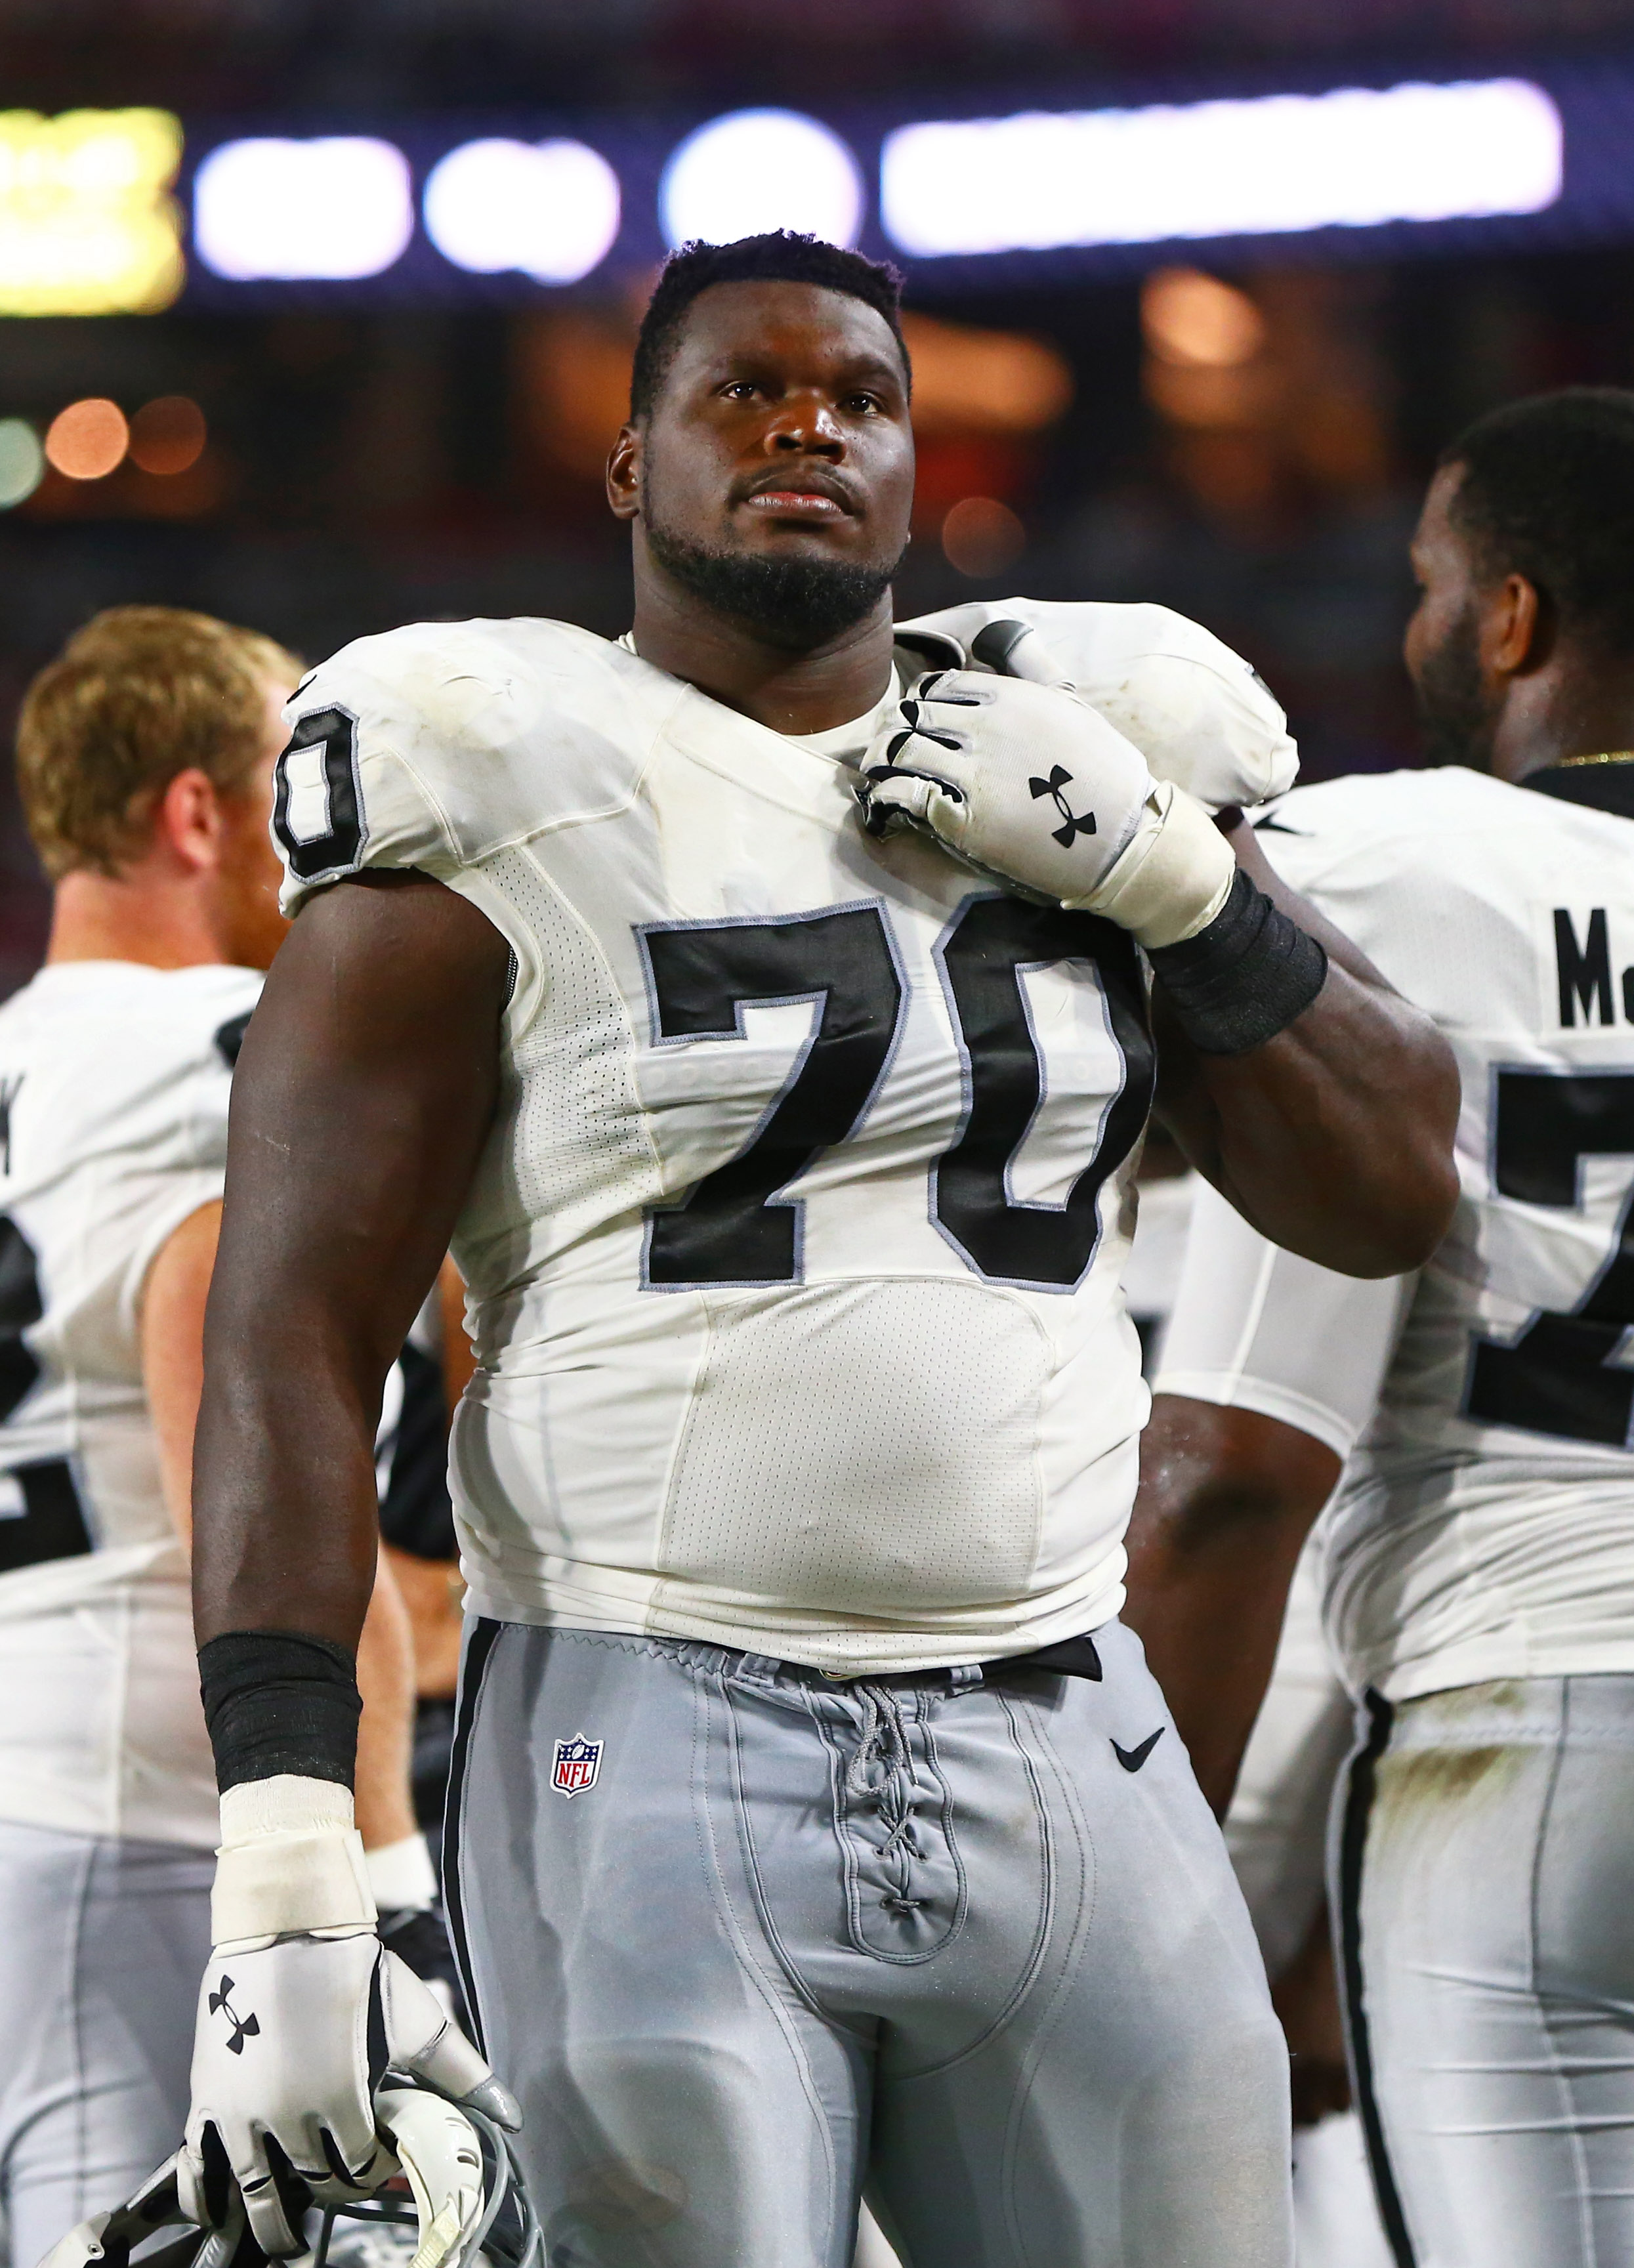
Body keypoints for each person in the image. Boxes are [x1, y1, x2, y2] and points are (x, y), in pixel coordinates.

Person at [180, 232, 1459, 2268]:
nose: (809, 429)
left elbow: (1391, 1190)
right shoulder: (496, 775)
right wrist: (281, 1851)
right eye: (745, 394)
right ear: (629, 470)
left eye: (860, 399)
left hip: (1065, 1705)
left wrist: (1177, 885)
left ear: (911, 454)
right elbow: (293, 1344)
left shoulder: (1082, 749)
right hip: (650, 1705)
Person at [1126, 385, 1634, 2266]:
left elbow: (1237, 1476)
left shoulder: (1389, 870)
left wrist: (1119, 1918)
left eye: (1430, 584)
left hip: (1530, 1725)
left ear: (1510, 619)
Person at [0, 608, 442, 2268]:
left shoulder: (23, 1059)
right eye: (288, 782)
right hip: (148, 1813)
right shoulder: (210, 1064)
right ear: (197, 815)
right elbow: (258, 1491)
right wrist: (384, 1878)